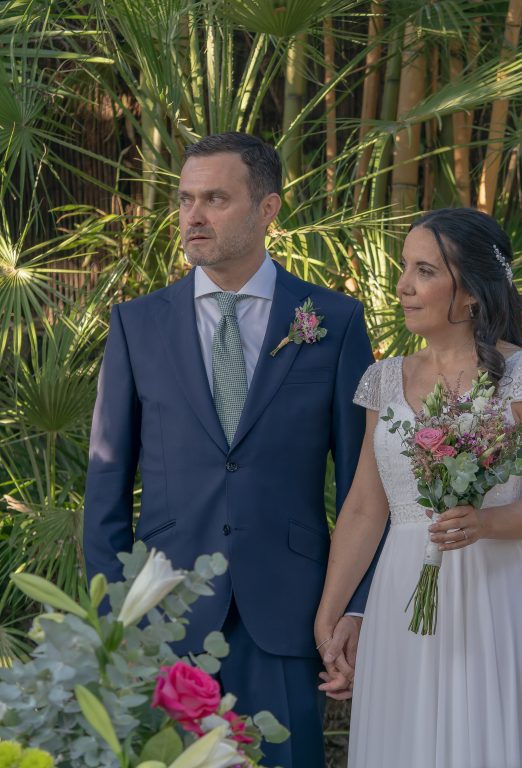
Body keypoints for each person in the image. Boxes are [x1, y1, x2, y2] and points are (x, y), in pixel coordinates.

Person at [83, 132, 374, 768]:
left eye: (215, 198)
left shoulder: (335, 321)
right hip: (163, 613)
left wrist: (356, 607)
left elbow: (363, 488)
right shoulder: (137, 325)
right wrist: (113, 619)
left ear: (267, 210)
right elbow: (106, 480)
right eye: (185, 199)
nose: (193, 216)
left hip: (291, 612)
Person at [314, 207, 522, 767]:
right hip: (398, 597)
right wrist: (332, 613)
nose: (404, 286)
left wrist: (486, 523)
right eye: (404, 267)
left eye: (425, 271)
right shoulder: (383, 378)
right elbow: (365, 508)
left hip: (492, 595)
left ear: (472, 294)